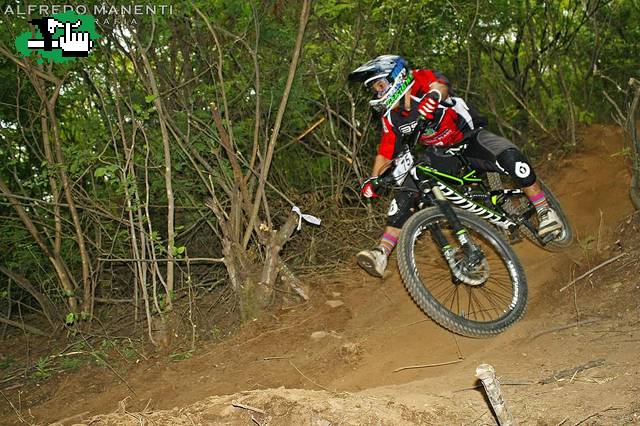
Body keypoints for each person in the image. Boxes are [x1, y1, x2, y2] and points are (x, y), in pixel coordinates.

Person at [348, 55, 563, 277]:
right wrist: (373, 180)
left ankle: (545, 211)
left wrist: (433, 95)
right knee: (408, 191)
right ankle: (381, 252)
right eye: (375, 88)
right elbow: (385, 153)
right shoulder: (391, 117)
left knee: (510, 158)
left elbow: (440, 86)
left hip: (469, 137)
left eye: (380, 85)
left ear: (397, 76)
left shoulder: (420, 79)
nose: (378, 92)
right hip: (441, 153)